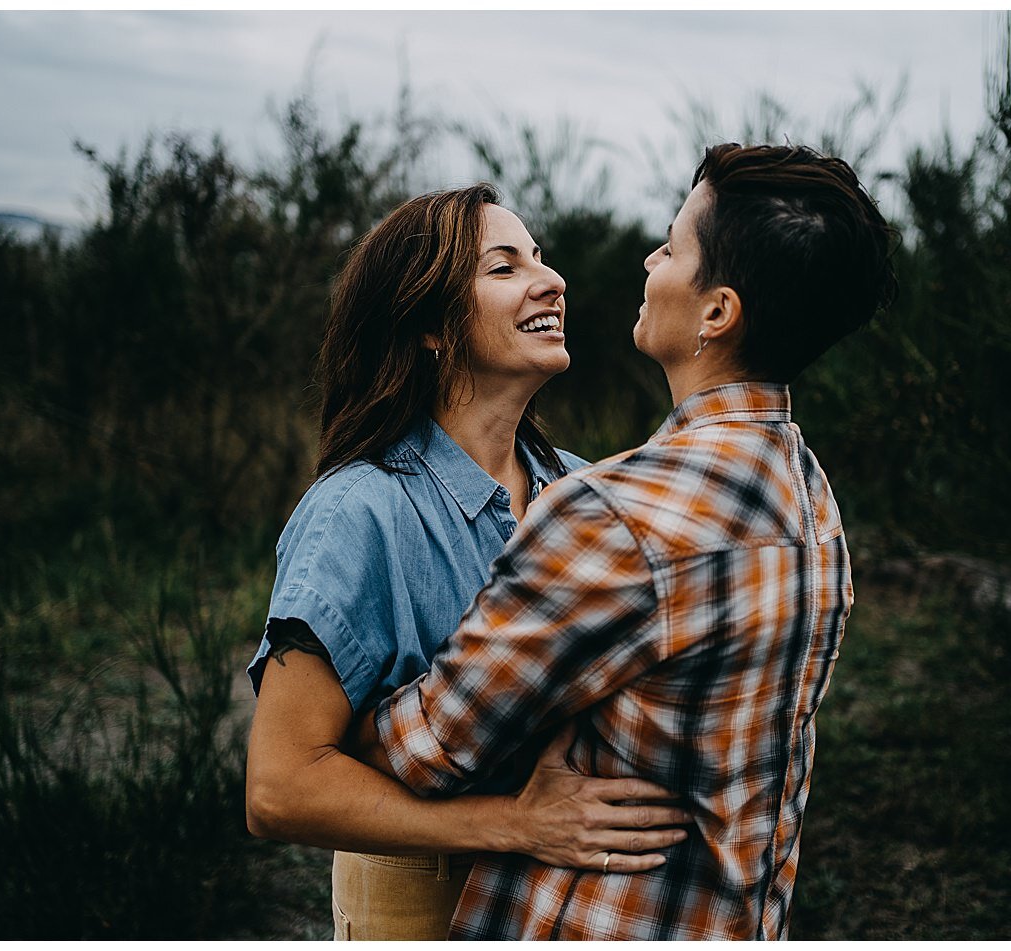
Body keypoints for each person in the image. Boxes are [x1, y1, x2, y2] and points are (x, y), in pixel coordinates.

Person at [351, 143, 899, 939]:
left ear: (717, 312)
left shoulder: (614, 515)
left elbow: (429, 746)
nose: (651, 258)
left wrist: (330, 720)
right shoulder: (814, 504)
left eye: (673, 247)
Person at [243, 184, 692, 940]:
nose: (551, 281)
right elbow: (281, 787)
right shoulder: (357, 513)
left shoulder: (584, 490)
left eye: (542, 260)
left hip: (567, 904)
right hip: (423, 905)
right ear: (429, 325)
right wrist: (516, 824)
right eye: (504, 268)